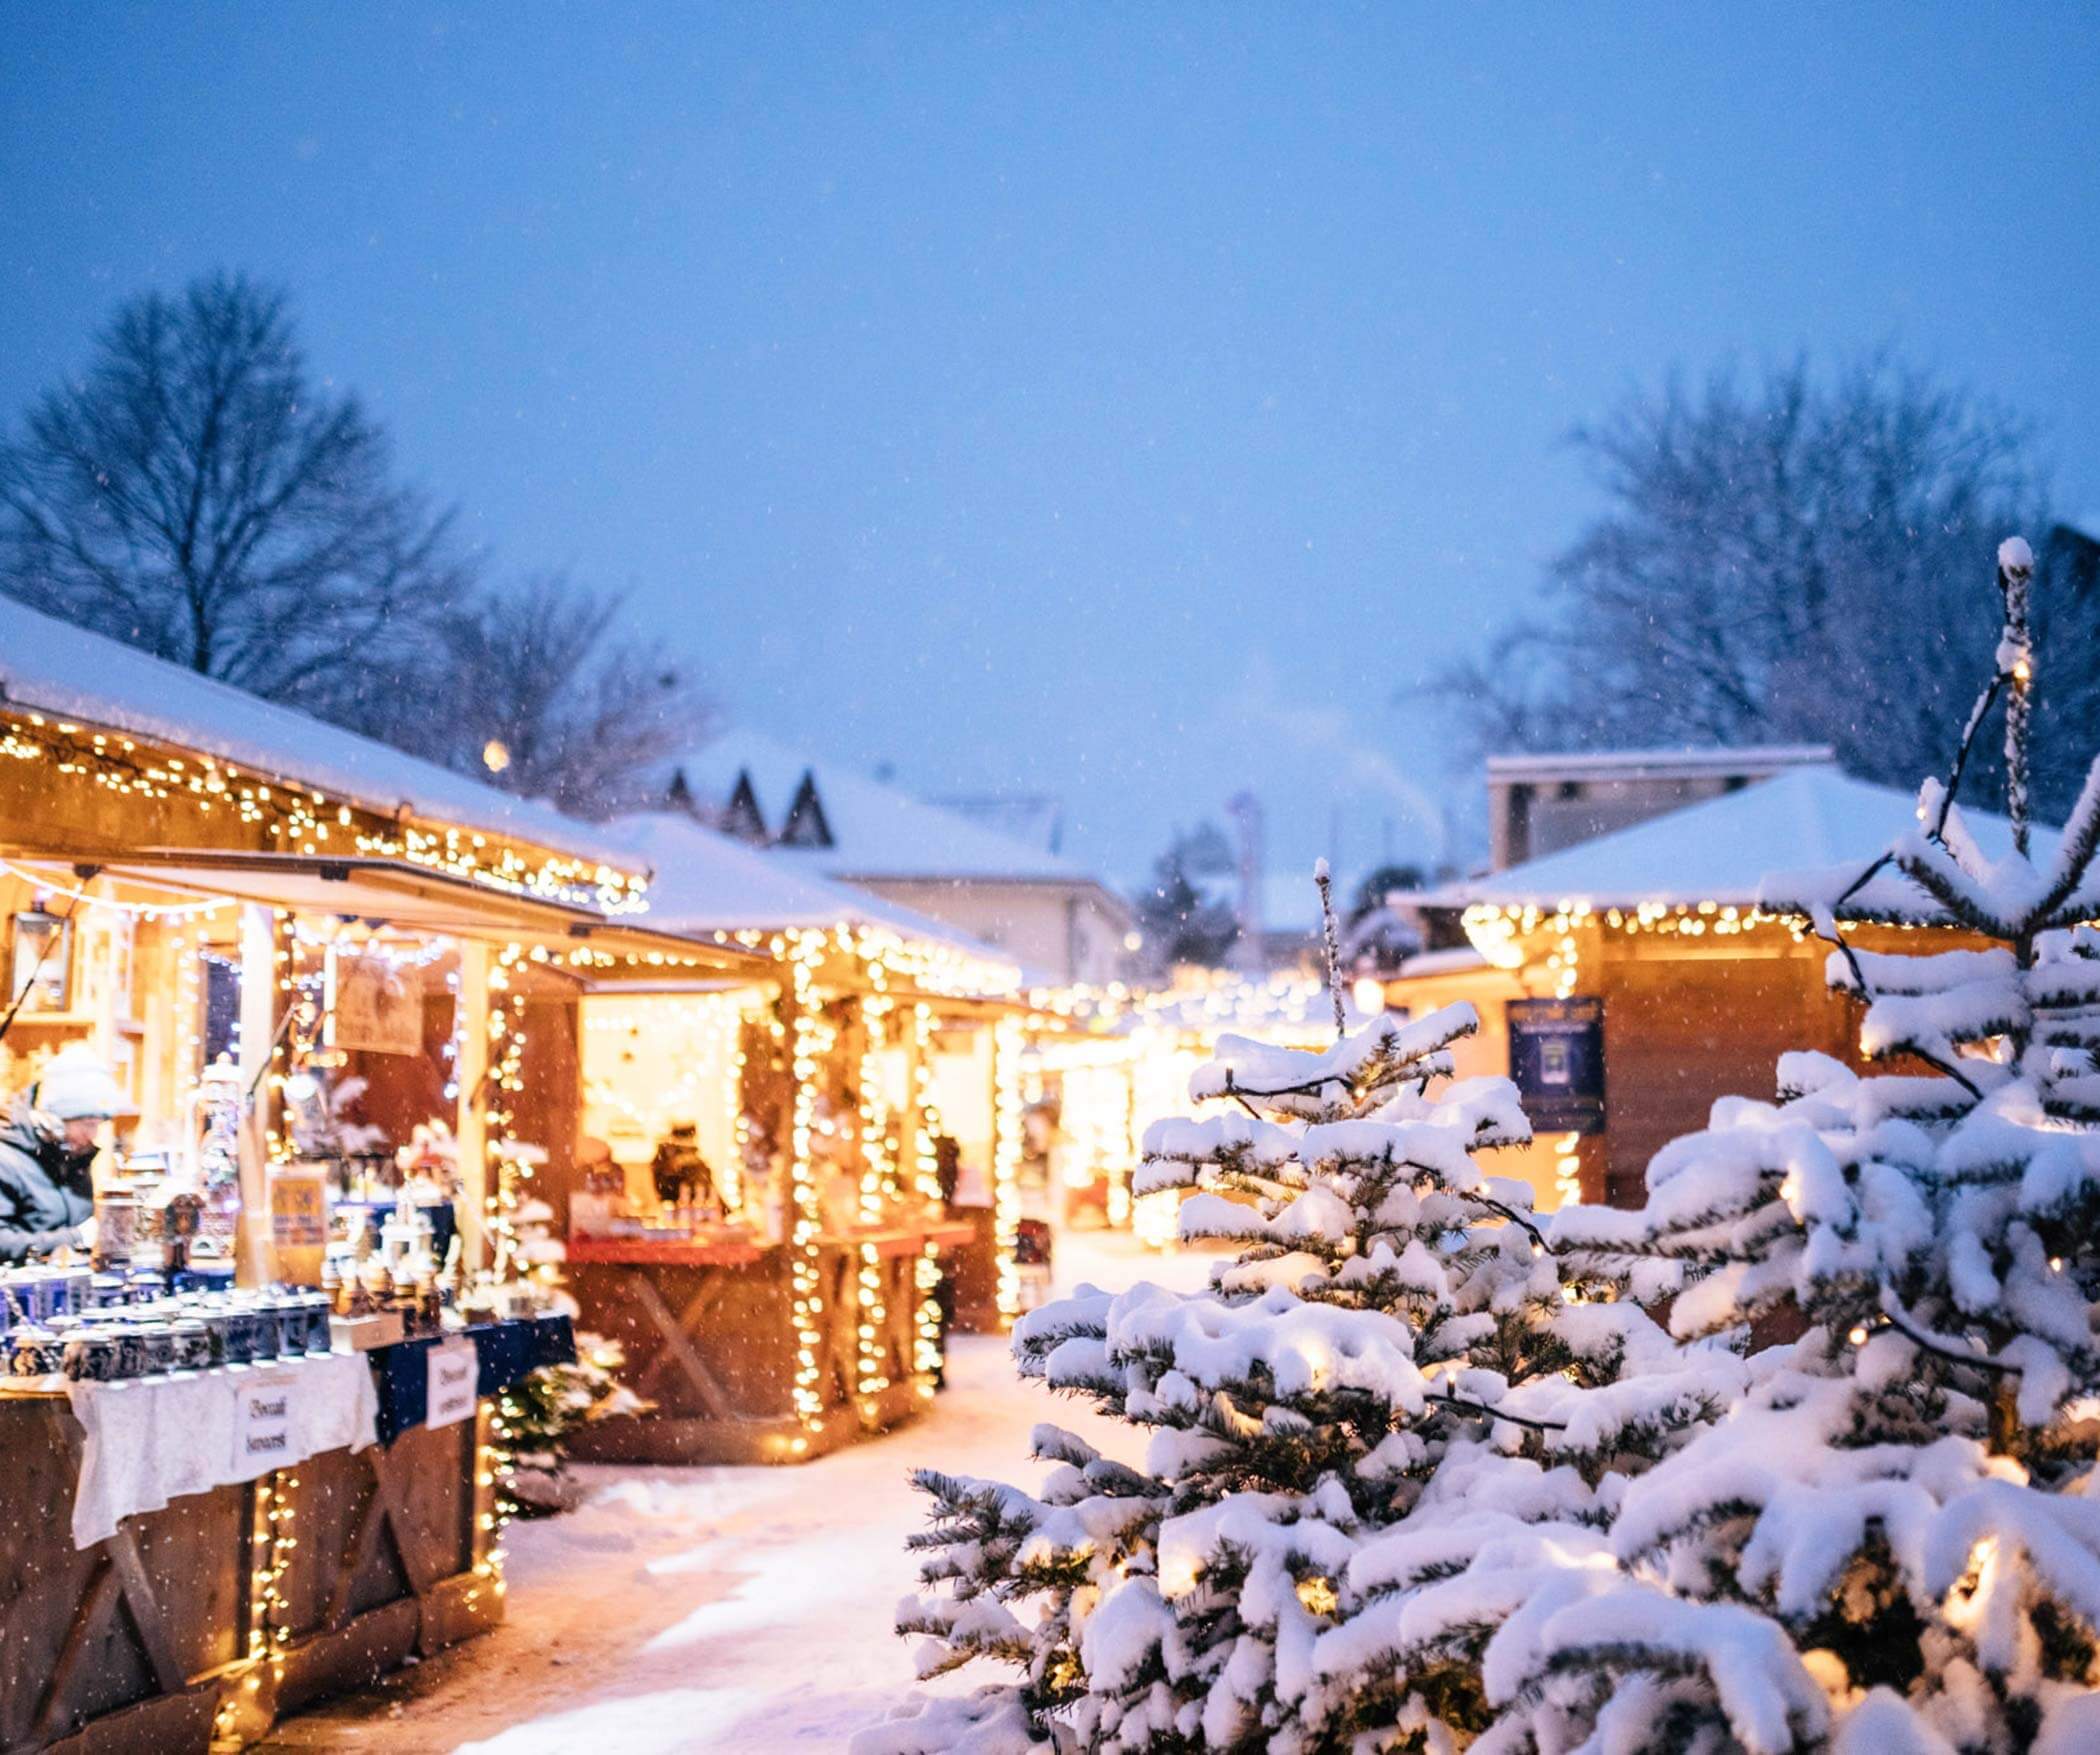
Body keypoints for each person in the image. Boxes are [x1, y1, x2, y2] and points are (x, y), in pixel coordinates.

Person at [0, 1044, 122, 1264]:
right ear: (53, 1121)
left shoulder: (72, 1156)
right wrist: (75, 1238)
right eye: (87, 1124)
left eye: (97, 1125)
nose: (92, 1135)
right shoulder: (5, 1161)